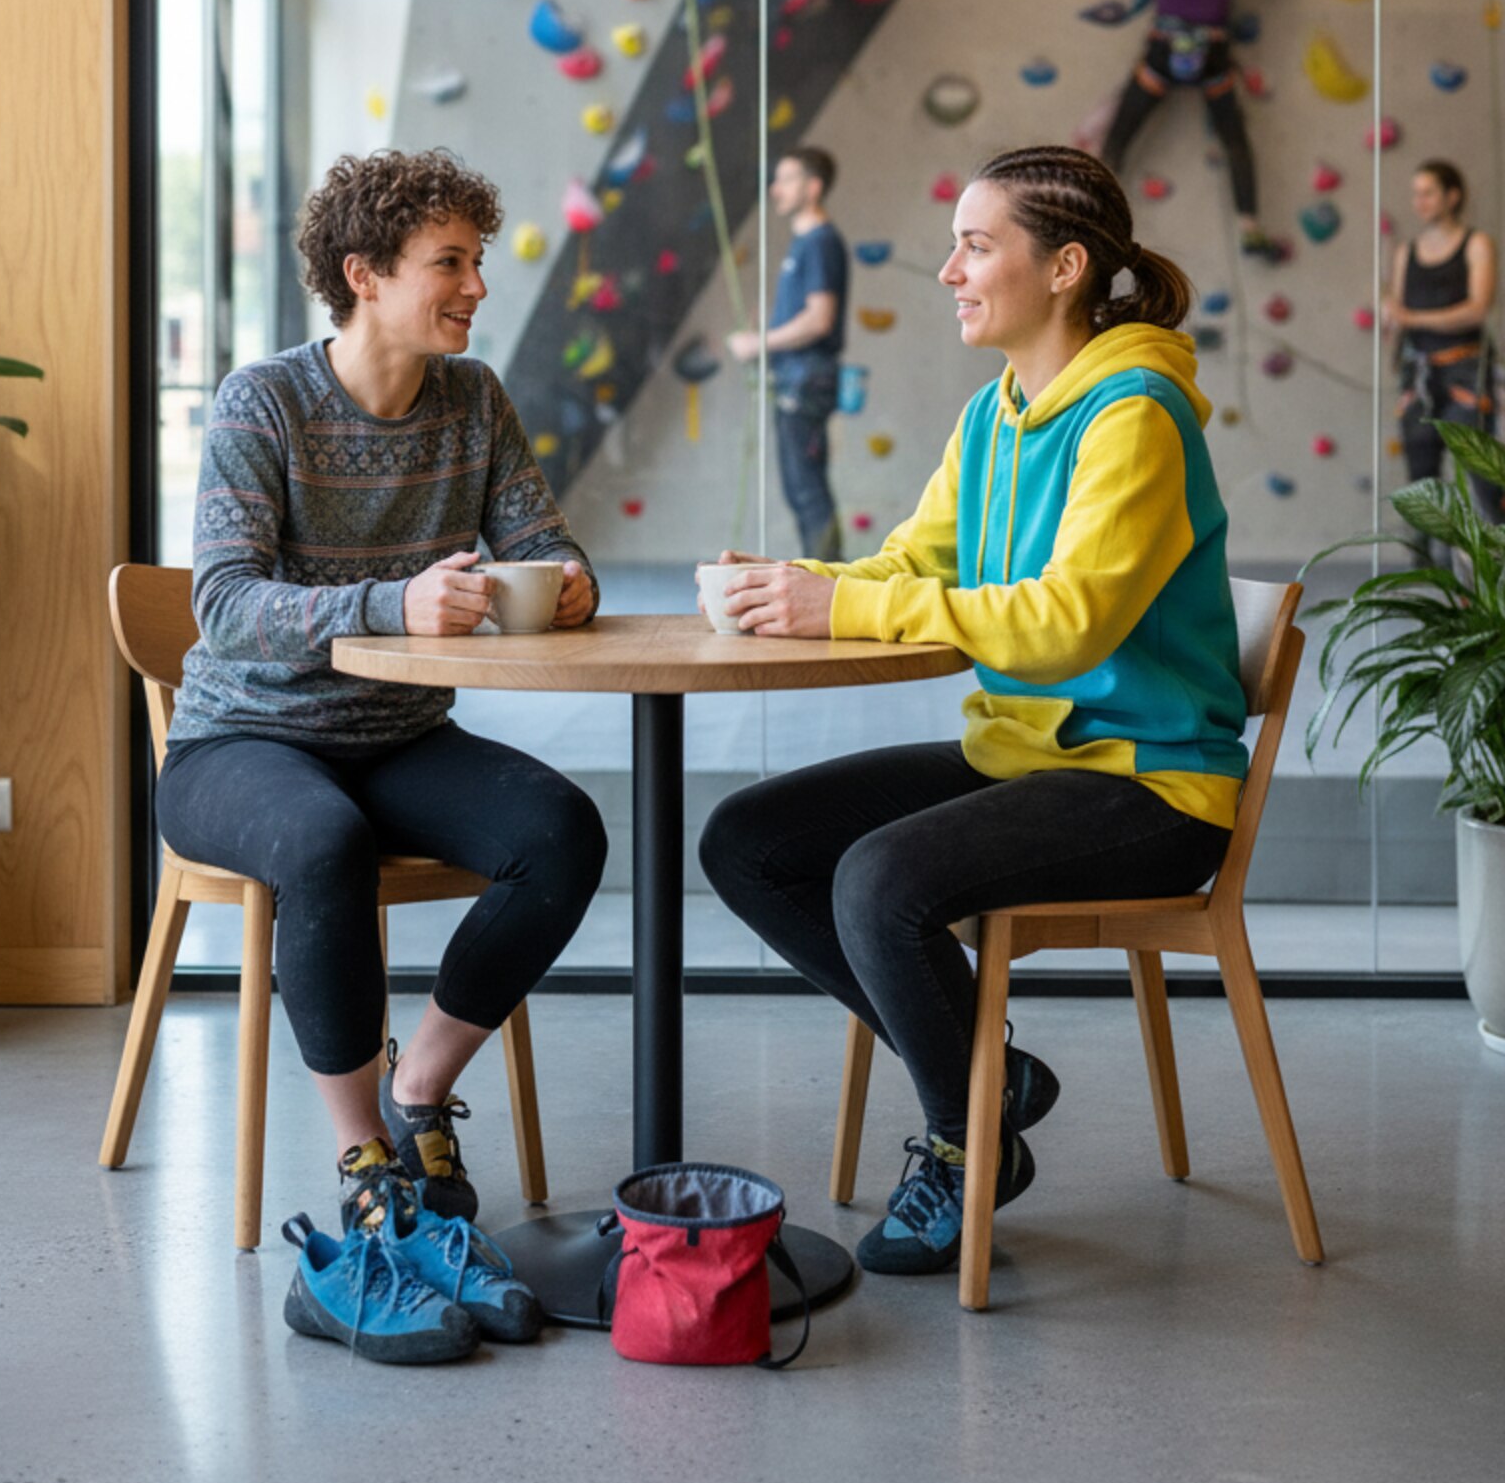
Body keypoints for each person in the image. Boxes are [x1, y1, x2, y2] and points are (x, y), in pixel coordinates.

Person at [698, 145, 1247, 1280]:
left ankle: (967, 1137)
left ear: (1064, 267)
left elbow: (1069, 623)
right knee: (748, 841)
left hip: (1148, 781)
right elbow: (913, 563)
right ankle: (986, 1073)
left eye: (976, 246)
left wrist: (839, 604)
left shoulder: (1135, 416)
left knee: (877, 879)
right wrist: (791, 582)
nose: (948, 270)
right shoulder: (994, 414)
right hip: (1025, 756)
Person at [157, 147, 607, 1358]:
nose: (475, 286)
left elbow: (544, 539)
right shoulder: (263, 401)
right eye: (448, 262)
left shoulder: (473, 399)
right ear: (363, 273)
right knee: (324, 841)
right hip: (239, 742)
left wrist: (565, 582)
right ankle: (366, 1170)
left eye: (476, 259)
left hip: (398, 734)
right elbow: (223, 604)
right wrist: (389, 603)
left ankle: (420, 1089)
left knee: (562, 831)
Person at [1101, 0, 1292, 261]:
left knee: (1121, 132)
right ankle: (1250, 227)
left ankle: (1094, 212)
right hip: (1211, 54)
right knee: (1234, 138)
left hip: (1167, 48)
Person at [727, 145, 850, 561]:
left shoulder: (819, 242)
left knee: (807, 489)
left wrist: (757, 343)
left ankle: (826, 578)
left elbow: (819, 319)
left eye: (785, 179)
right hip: (798, 377)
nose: (775, 189)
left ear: (812, 188)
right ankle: (821, 574)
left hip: (807, 378)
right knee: (800, 488)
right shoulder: (805, 243)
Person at [1383, 158, 1505, 525]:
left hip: (1464, 369)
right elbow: (1399, 312)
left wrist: (1412, 318)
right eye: (1415, 194)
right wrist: (1391, 320)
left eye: (1428, 193)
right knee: (1422, 479)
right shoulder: (1406, 252)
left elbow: (1477, 309)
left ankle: (1498, 549)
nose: (1418, 202)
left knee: (1481, 473)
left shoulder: (1476, 244)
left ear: (1452, 196)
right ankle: (1428, 551)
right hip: (1419, 372)